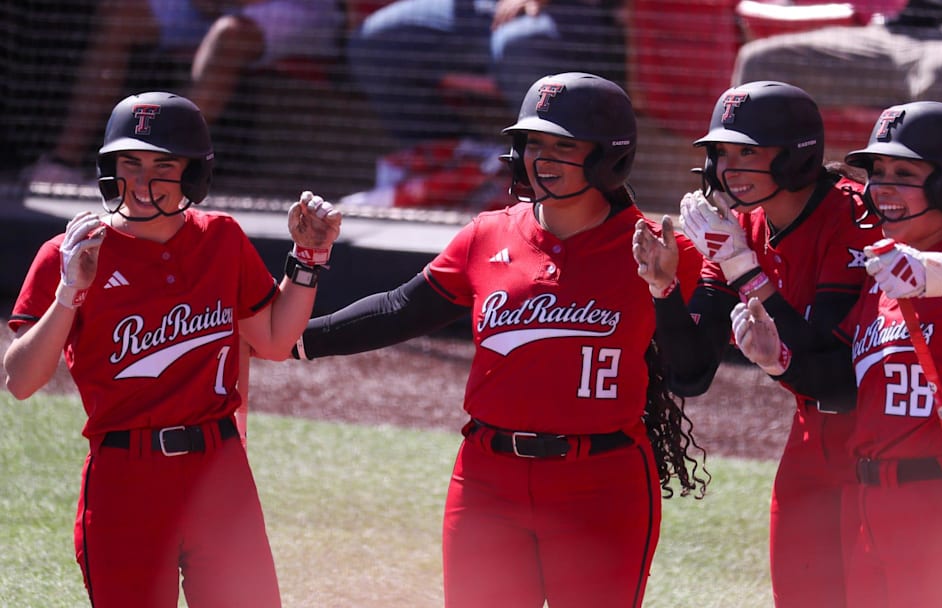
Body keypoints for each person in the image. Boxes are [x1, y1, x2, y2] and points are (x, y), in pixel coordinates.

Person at [293, 71, 709, 608]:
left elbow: (691, 374)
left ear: (610, 156)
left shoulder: (660, 251)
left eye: (565, 146)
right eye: (534, 143)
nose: (544, 160)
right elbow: (400, 310)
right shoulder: (488, 233)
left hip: (602, 486)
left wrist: (663, 289)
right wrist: (291, 340)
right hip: (487, 480)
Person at [3, 91, 342, 606]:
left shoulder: (221, 238)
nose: (141, 182)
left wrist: (309, 257)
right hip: (125, 478)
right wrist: (69, 292)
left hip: (219, 470)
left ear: (193, 174)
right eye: (129, 163)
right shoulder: (69, 253)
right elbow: (20, 381)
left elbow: (273, 340)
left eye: (163, 166)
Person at [731, 101, 942, 605]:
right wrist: (778, 359)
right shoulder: (887, 273)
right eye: (879, 173)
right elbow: (844, 385)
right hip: (869, 504)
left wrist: (941, 274)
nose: (882, 188)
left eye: (904, 173)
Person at [632, 80, 881, 607]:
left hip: (888, 435)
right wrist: (664, 287)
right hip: (813, 439)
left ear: (796, 157)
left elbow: (834, 372)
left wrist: (742, 265)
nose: (728, 169)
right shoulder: (742, 224)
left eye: (748, 152)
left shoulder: (857, 217)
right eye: (721, 154)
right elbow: (691, 373)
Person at [24, 0, 344, 184]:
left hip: (293, 8)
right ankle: (62, 162)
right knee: (121, 14)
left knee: (228, 36)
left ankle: (160, 167)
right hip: (208, 7)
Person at [731, 0, 942, 139]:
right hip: (899, 33)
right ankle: (741, 205)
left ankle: (934, 216)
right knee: (761, 61)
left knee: (937, 76)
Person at [346, 0, 627, 147]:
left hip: (568, 11)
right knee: (375, 43)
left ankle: (552, 177)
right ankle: (460, 162)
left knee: (516, 45)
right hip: (480, 10)